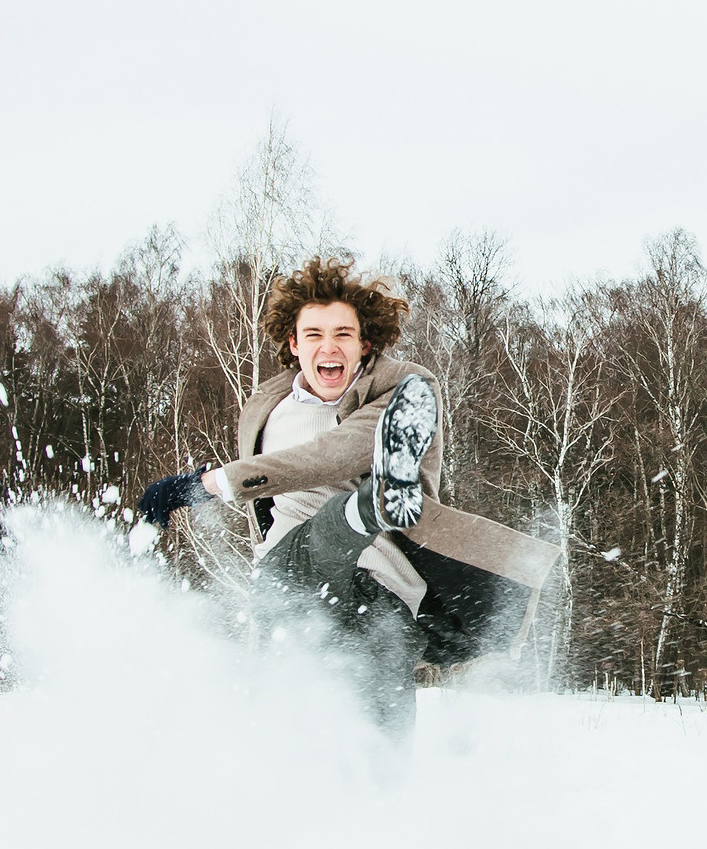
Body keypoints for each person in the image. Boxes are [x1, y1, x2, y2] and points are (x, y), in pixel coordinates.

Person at [138, 257, 559, 738]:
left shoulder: (400, 392)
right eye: (314, 334)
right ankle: (370, 503)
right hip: (289, 573)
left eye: (343, 334)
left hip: (385, 587)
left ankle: (375, 502)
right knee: (290, 725)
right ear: (294, 344)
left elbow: (331, 455)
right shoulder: (268, 406)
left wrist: (208, 484)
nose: (329, 346)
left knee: (381, 723)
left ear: (366, 344)